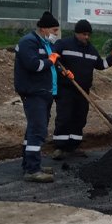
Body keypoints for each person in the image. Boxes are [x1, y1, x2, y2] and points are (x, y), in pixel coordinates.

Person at [51, 19, 112, 160]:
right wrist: (61, 71)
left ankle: (73, 147)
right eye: (83, 34)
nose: (86, 37)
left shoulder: (91, 50)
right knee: (64, 118)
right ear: (76, 33)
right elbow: (53, 59)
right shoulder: (63, 44)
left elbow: (101, 65)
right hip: (66, 90)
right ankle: (60, 148)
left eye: (88, 34)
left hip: (83, 92)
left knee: (79, 118)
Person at [13, 11, 65, 183]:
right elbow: (34, 65)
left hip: (45, 93)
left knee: (32, 131)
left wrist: (59, 69)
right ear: (43, 29)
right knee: (38, 131)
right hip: (34, 93)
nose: (56, 34)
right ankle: (33, 170)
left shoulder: (45, 43)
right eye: (54, 30)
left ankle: (30, 164)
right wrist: (51, 61)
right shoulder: (29, 42)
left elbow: (49, 65)